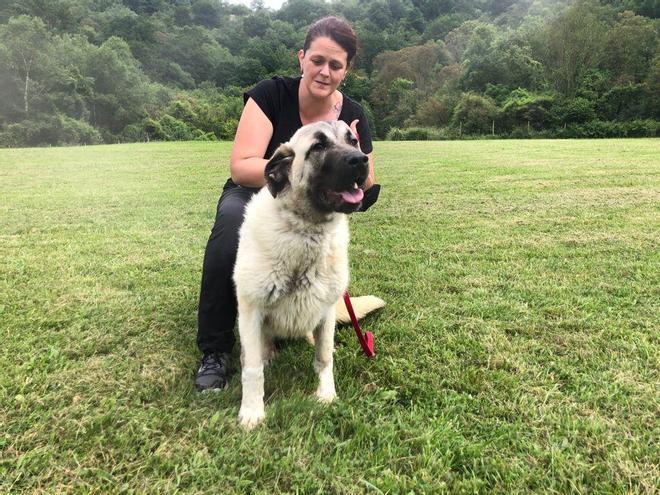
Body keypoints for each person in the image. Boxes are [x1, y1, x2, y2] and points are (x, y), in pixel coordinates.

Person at [195, 16, 380, 391]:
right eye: (317, 60)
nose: (324, 71)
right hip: (259, 189)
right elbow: (241, 164)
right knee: (230, 224)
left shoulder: (353, 114)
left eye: (335, 65)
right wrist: (294, 172)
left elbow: (368, 177)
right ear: (302, 58)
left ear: (347, 70)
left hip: (313, 202)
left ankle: (306, 317)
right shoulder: (270, 94)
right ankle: (215, 349)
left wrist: (353, 154)